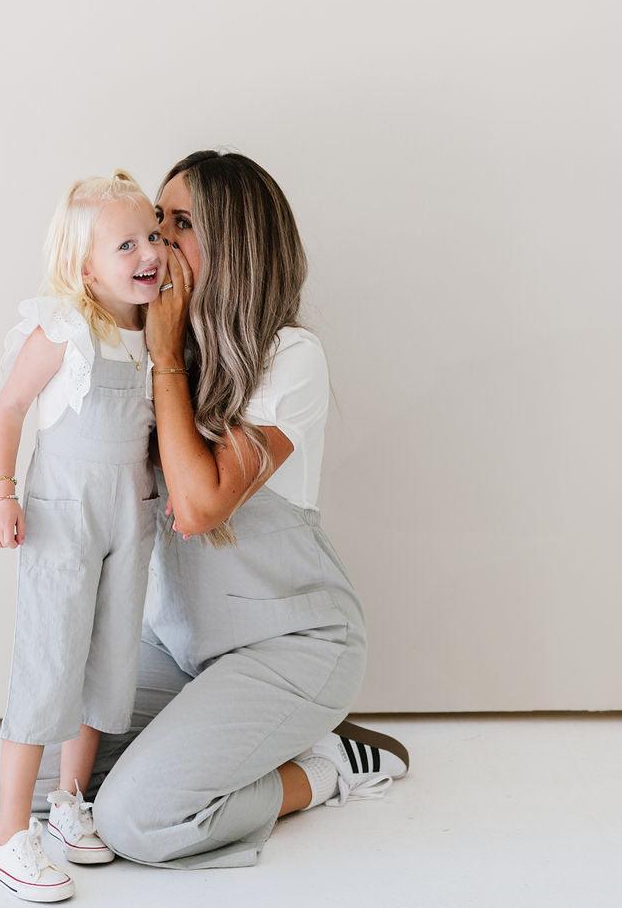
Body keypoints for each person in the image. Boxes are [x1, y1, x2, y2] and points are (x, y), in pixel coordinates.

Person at [30, 149, 410, 870]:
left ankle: (328, 764)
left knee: (134, 819)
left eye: (179, 224)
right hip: (184, 645)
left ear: (232, 245)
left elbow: (200, 504)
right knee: (51, 782)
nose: (158, 240)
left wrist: (167, 352)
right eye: (153, 223)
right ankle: (233, 734)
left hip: (295, 644)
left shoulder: (289, 358)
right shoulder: (142, 343)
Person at [0, 169, 170, 901]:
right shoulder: (64, 327)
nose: (149, 250)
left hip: (129, 513)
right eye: (127, 243)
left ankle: (67, 801)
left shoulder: (151, 336)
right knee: (48, 657)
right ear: (84, 265)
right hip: (64, 516)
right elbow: (8, 410)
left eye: (153, 234)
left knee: (110, 656)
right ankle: (7, 833)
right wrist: (2, 493)